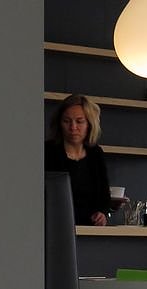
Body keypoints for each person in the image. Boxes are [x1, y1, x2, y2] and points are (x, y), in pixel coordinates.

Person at [44, 94, 111, 226]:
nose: (73, 127)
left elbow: (104, 196)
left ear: (89, 124)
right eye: (66, 121)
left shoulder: (96, 153)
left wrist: (102, 213)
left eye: (79, 121)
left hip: (89, 228)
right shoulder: (48, 151)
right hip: (53, 226)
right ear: (59, 123)